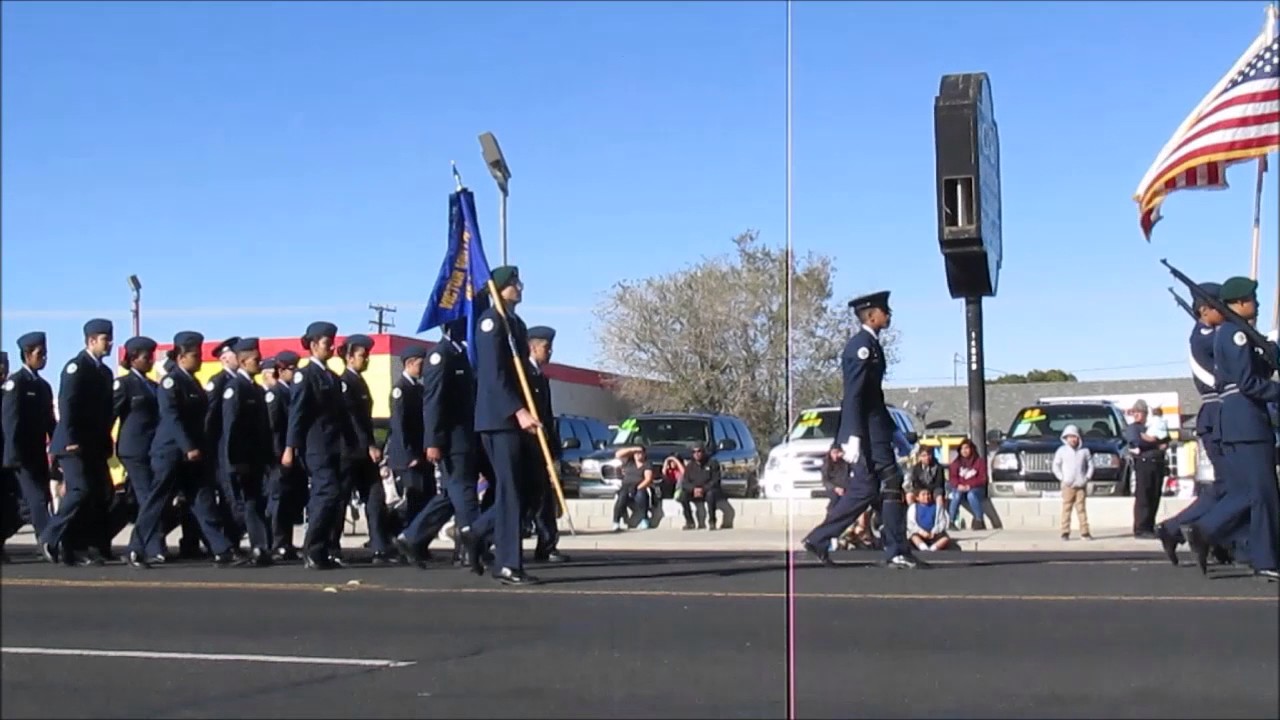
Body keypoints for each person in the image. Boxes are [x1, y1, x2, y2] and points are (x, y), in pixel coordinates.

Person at [802, 290, 918, 569]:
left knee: (865, 489)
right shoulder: (861, 346)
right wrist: (852, 436)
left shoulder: (872, 345)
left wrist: (894, 431)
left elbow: (874, 397)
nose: (888, 315)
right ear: (871, 315)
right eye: (884, 311)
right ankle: (895, 550)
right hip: (866, 431)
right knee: (891, 482)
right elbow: (853, 394)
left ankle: (819, 539)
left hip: (875, 429)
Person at [1186, 277, 1279, 581]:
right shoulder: (1235, 333)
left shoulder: (1229, 333)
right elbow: (1247, 383)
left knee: (1252, 493)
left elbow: (1249, 372)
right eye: (1252, 299)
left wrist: (1268, 356)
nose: (1258, 304)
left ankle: (1253, 551)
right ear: (1239, 303)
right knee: (1263, 494)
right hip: (1247, 422)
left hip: (1236, 421)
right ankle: (1217, 535)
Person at [459, 266, 540, 585]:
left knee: (528, 489)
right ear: (498, 289)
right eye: (513, 283)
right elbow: (494, 376)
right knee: (510, 491)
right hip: (500, 419)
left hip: (519, 418)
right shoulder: (491, 322)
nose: (519, 287)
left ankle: (476, 531)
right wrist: (517, 411)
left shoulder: (515, 324)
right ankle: (508, 563)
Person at [1157, 283, 1237, 566]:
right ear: (1205, 310)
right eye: (1221, 306)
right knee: (1233, 486)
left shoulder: (1211, 335)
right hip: (1219, 414)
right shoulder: (1207, 338)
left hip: (1218, 415)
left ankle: (1198, 533)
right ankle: (1196, 531)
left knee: (1228, 486)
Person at [147, 332, 239, 566]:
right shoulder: (171, 382)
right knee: (158, 502)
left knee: (202, 500)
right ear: (180, 356)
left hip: (192, 455)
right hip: (170, 452)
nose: (199, 360)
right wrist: (188, 447)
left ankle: (222, 549)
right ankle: (138, 547)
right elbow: (172, 417)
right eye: (195, 355)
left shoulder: (192, 382)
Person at [41, 319, 116, 567]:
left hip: (93, 445)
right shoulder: (77, 367)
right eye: (105, 339)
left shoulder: (104, 372)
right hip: (72, 444)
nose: (110, 343)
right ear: (91, 340)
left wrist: (106, 442)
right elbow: (68, 404)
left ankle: (78, 547)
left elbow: (106, 412)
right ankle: (50, 536)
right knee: (79, 490)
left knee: (98, 495)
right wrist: (71, 438)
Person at [284, 321, 350, 570]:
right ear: (313, 345)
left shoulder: (330, 377)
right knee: (327, 494)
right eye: (326, 343)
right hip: (315, 446)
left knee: (333, 498)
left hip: (334, 445)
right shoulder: (306, 374)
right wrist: (290, 447)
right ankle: (311, 549)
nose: (331, 347)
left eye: (332, 342)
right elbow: (297, 414)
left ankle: (322, 549)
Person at [219, 338, 274, 566]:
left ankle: (259, 547)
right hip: (240, 459)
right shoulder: (235, 389)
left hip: (255, 458)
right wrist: (233, 460)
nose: (259, 363)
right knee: (242, 504)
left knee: (254, 503)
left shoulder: (255, 389)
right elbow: (230, 427)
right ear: (242, 361)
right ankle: (229, 545)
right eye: (255, 359)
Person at [334, 334, 388, 563]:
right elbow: (353, 419)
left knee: (375, 497)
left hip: (364, 452)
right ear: (348, 357)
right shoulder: (344, 382)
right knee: (340, 499)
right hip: (349, 451)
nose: (366, 359)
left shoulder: (359, 381)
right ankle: (331, 547)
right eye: (362, 355)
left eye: (367, 356)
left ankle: (379, 546)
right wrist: (368, 445)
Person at [2, 332, 56, 547]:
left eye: (45, 354)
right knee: (36, 500)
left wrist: (58, 447)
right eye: (39, 353)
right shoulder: (16, 383)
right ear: (27, 354)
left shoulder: (43, 386)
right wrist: (12, 455)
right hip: (21, 454)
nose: (43, 358)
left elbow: (50, 423)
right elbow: (10, 422)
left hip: (37, 453)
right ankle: (48, 541)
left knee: (36, 501)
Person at [113, 336, 162, 568]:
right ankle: (145, 547)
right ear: (133, 359)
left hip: (151, 449)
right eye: (146, 357)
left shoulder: (152, 386)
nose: (150, 360)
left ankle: (101, 538)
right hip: (133, 449)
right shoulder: (124, 384)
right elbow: (109, 415)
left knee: (140, 499)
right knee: (147, 497)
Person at [524, 325, 568, 562]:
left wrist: (554, 447)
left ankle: (547, 544)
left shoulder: (541, 376)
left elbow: (547, 415)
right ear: (532, 347)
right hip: (527, 446)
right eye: (545, 347)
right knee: (527, 499)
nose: (549, 352)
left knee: (543, 499)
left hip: (541, 447)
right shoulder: (523, 374)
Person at [263, 350, 304, 559]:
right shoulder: (275, 393)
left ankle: (286, 542)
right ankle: (277, 542)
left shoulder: (292, 392)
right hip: (279, 456)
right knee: (278, 501)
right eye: (291, 368)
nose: (295, 372)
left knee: (290, 501)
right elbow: (273, 428)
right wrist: (279, 454)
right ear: (281, 370)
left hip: (294, 456)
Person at [1123, 399, 1167, 538]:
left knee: (1155, 495)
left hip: (1157, 463)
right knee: (1144, 496)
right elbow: (1137, 442)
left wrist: (1153, 440)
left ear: (1146, 414)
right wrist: (1155, 443)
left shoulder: (1153, 425)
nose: (1136, 415)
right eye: (1134, 412)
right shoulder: (1133, 428)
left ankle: (1150, 526)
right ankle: (1141, 528)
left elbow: (1166, 438)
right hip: (1143, 463)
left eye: (1139, 412)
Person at [1052, 424, 1093, 541]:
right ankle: (1065, 532)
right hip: (1067, 485)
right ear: (1065, 438)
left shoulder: (1085, 451)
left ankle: (1085, 532)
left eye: (1075, 437)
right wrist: (1062, 478)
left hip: (1081, 485)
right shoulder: (1061, 451)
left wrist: (1087, 478)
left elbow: (1090, 465)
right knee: (1066, 509)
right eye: (1070, 437)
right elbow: (1056, 466)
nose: (1073, 439)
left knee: (1081, 509)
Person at [678, 442, 722, 531]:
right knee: (682, 496)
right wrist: (694, 489)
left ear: (703, 452)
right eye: (694, 452)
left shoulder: (712, 463)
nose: (697, 454)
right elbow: (685, 482)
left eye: (699, 451)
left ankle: (712, 521)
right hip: (694, 491)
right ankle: (689, 522)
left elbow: (715, 480)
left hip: (708, 491)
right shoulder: (690, 466)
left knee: (711, 495)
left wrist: (703, 489)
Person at [947, 438, 987, 530]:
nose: (964, 451)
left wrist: (970, 486)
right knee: (956, 495)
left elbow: (982, 479)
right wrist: (958, 485)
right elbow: (952, 477)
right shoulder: (956, 463)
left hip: (976, 489)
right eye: (962, 449)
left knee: (971, 495)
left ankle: (979, 520)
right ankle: (951, 521)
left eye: (966, 448)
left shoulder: (979, 462)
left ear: (971, 449)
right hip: (960, 488)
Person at [611, 445, 654, 531]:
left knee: (641, 496)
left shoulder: (647, 464)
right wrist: (633, 449)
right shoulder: (629, 462)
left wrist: (638, 487)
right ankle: (616, 522)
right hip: (626, 486)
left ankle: (644, 519)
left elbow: (648, 479)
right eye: (636, 453)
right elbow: (618, 454)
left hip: (639, 486)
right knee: (621, 499)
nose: (638, 455)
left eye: (640, 453)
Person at [906, 487, 951, 551]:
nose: (926, 497)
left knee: (945, 539)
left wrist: (934, 531)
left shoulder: (937, 507)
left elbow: (943, 521)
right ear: (917, 497)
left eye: (928, 494)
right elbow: (910, 524)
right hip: (920, 533)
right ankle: (923, 548)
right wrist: (922, 532)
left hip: (934, 534)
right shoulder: (913, 508)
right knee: (913, 536)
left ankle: (933, 548)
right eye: (923, 495)